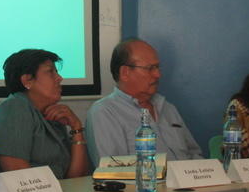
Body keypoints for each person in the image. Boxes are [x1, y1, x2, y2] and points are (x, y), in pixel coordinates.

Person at [86, 38, 203, 168]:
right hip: (148, 181)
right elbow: (113, 170)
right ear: (125, 73)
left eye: (157, 67)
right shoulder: (104, 112)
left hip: (188, 179)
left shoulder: (168, 108)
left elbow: (194, 154)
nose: (158, 74)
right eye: (150, 68)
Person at [0, 49, 88, 178]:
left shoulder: (52, 114)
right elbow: (19, 177)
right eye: (50, 72)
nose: (60, 78)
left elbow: (76, 179)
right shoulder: (14, 108)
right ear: (27, 81)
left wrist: (76, 128)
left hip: (61, 190)